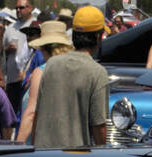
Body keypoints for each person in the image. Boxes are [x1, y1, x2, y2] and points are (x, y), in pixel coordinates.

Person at [31, 4, 107, 147]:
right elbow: (99, 127)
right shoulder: (97, 72)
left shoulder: (51, 65)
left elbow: (37, 116)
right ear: (98, 37)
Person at [16, 18, 70, 141]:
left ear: (44, 48)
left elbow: (31, 114)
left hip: (41, 148)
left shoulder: (42, 72)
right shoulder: (73, 70)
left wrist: (18, 146)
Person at [2, 4, 29, 113]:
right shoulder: (10, 28)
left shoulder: (35, 25)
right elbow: (2, 52)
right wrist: (7, 49)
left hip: (29, 80)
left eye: (21, 7)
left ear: (30, 8)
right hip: (12, 79)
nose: (18, 10)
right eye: (16, 8)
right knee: (12, 114)